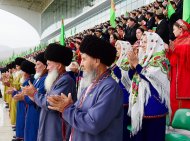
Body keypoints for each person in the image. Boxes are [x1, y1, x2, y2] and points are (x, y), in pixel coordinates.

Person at [47, 35, 123, 141]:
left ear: (96, 61)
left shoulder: (110, 88)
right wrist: (69, 105)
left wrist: (66, 108)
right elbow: (80, 114)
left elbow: (93, 123)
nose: (81, 64)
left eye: (83, 59)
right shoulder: (91, 85)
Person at [25, 43, 77, 141]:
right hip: (49, 125)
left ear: (58, 65)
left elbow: (51, 102)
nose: (47, 68)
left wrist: (35, 94)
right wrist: (33, 95)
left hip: (56, 129)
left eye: (48, 64)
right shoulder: (57, 79)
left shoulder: (65, 80)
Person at [126, 32, 170, 141]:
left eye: (145, 42)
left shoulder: (161, 59)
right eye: (142, 41)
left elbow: (148, 76)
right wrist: (132, 66)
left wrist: (136, 64)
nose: (142, 44)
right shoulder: (144, 59)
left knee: (152, 137)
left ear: (153, 43)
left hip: (154, 106)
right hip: (141, 107)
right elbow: (133, 77)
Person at [167, 19, 190, 119]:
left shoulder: (189, 39)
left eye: (174, 29)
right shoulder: (175, 41)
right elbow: (172, 61)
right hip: (174, 75)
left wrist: (175, 50)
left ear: (181, 29)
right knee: (173, 100)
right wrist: (168, 51)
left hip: (184, 75)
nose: (173, 31)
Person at [22, 52, 48, 141]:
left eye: (38, 64)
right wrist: (28, 95)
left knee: (34, 134)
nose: (35, 67)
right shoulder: (38, 78)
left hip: (37, 113)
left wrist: (28, 95)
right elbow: (28, 96)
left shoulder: (45, 79)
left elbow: (32, 98)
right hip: (31, 112)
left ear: (45, 66)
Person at [13, 60, 35, 141]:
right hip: (22, 102)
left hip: (25, 103)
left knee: (24, 120)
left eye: (23, 71)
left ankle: (21, 136)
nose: (21, 73)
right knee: (21, 119)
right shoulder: (26, 80)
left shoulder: (29, 80)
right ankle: (20, 136)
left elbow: (26, 93)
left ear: (26, 72)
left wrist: (21, 95)